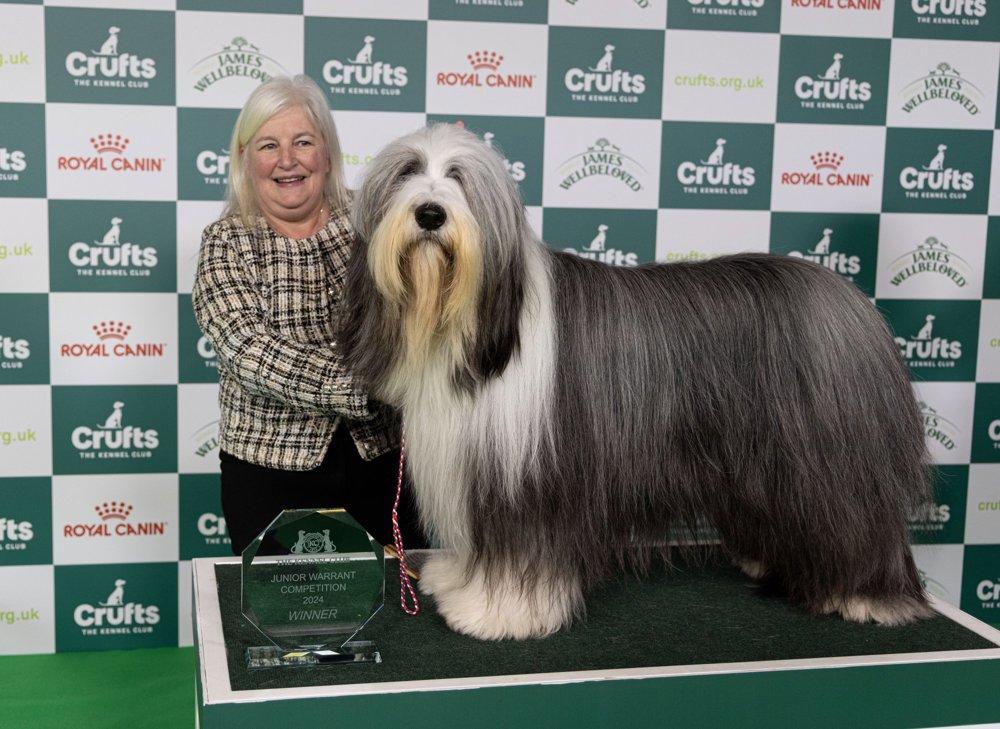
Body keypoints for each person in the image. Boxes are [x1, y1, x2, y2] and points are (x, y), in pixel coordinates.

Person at [192, 74, 422, 555]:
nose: (288, 160)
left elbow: (431, 295)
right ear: (244, 160)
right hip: (269, 473)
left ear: (327, 152)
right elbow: (248, 351)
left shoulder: (375, 221)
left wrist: (441, 182)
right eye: (268, 145)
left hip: (384, 464)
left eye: (302, 142)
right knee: (286, 620)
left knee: (400, 620)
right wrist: (376, 382)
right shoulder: (225, 241)